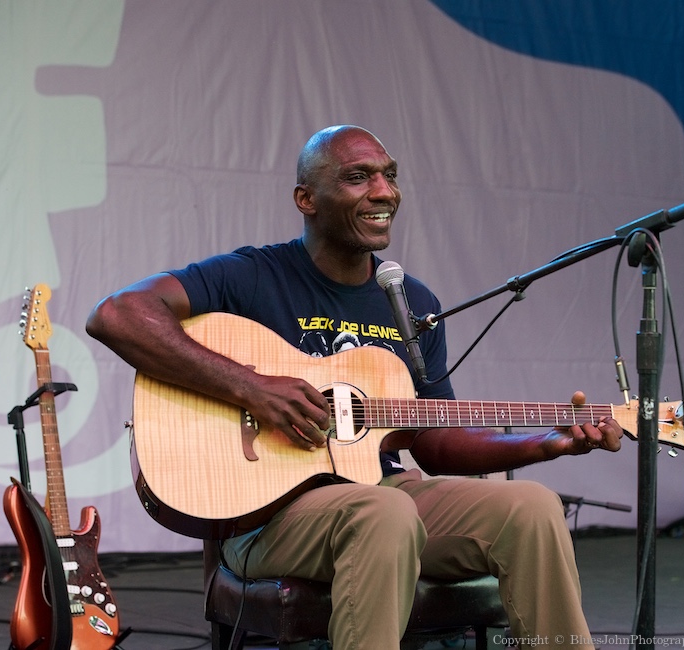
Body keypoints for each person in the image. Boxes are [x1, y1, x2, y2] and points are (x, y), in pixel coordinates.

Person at [87, 125, 623, 649]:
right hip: (267, 517)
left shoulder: (411, 302)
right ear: (307, 198)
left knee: (531, 507)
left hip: (378, 494)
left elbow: (433, 442)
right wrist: (252, 387)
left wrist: (544, 444)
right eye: (358, 177)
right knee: (382, 514)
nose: (384, 191)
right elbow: (118, 315)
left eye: (389, 176)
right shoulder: (251, 276)